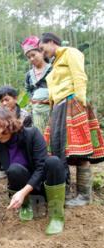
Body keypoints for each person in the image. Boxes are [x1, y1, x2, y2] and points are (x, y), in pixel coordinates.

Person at [0, 107, 66, 235]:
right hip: (23, 192)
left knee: (53, 161)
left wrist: (23, 192)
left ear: (8, 124)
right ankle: (26, 205)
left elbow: (41, 167)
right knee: (14, 169)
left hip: (44, 185)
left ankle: (56, 215)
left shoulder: (32, 134)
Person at [39, 32, 104, 207]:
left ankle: (84, 196)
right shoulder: (55, 63)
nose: (42, 51)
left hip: (72, 104)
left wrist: (80, 103)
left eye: (42, 47)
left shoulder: (70, 52)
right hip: (58, 108)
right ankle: (64, 193)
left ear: (51, 42)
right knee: (59, 150)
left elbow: (79, 76)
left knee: (78, 149)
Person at [0, 86, 32, 178]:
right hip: (3, 144)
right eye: (2, 101)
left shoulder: (25, 116)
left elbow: (26, 137)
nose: (4, 103)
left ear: (15, 98)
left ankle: (21, 167)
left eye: (7, 100)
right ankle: (2, 168)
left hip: (19, 146)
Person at [22, 35, 52, 133]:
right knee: (40, 136)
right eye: (28, 57)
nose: (31, 59)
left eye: (33, 55)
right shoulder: (29, 75)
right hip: (37, 111)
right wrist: (34, 99)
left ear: (42, 52)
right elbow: (28, 89)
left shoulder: (53, 69)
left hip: (53, 110)